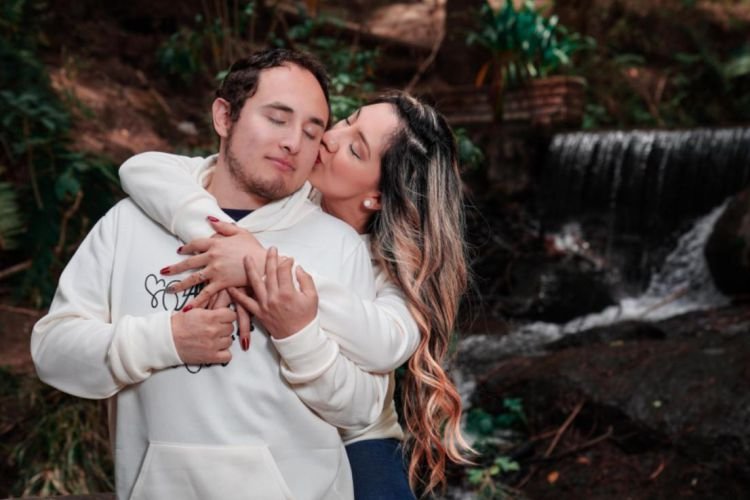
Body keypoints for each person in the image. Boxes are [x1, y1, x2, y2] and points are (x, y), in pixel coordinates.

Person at [31, 48, 393, 500]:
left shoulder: (338, 244)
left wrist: (297, 333)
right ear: (224, 116)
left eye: (311, 132)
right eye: (277, 119)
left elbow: (363, 409)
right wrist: (165, 339)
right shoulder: (129, 223)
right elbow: (53, 352)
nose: (293, 142)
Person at [118, 91, 473, 496]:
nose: (330, 138)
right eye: (347, 120)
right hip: (260, 428)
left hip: (354, 434)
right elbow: (143, 169)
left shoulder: (390, 268)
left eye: (355, 149)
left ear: (376, 197)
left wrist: (260, 266)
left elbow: (384, 344)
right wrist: (219, 236)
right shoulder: (279, 188)